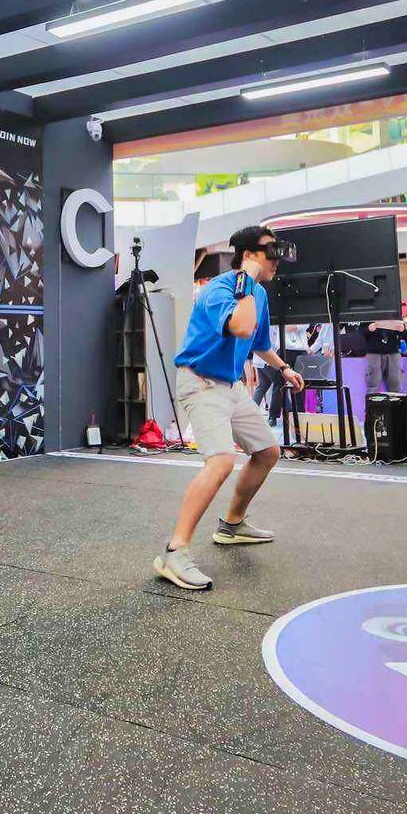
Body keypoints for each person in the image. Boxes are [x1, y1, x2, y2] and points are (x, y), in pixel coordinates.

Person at [155, 225, 303, 591]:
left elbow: (259, 342)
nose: (276, 260)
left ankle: (232, 525)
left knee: (267, 451)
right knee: (221, 461)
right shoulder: (220, 289)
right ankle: (174, 552)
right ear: (248, 255)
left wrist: (283, 367)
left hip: (230, 385)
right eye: (269, 252)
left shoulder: (259, 294)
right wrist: (245, 279)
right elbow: (241, 327)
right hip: (201, 383)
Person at [362, 316, 406, 393]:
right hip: (374, 352)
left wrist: (402, 329)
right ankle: (372, 400)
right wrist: (368, 329)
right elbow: (361, 331)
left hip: (393, 352)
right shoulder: (368, 313)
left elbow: (404, 333)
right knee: (373, 384)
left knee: (395, 383)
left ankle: (396, 401)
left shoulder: (394, 312)